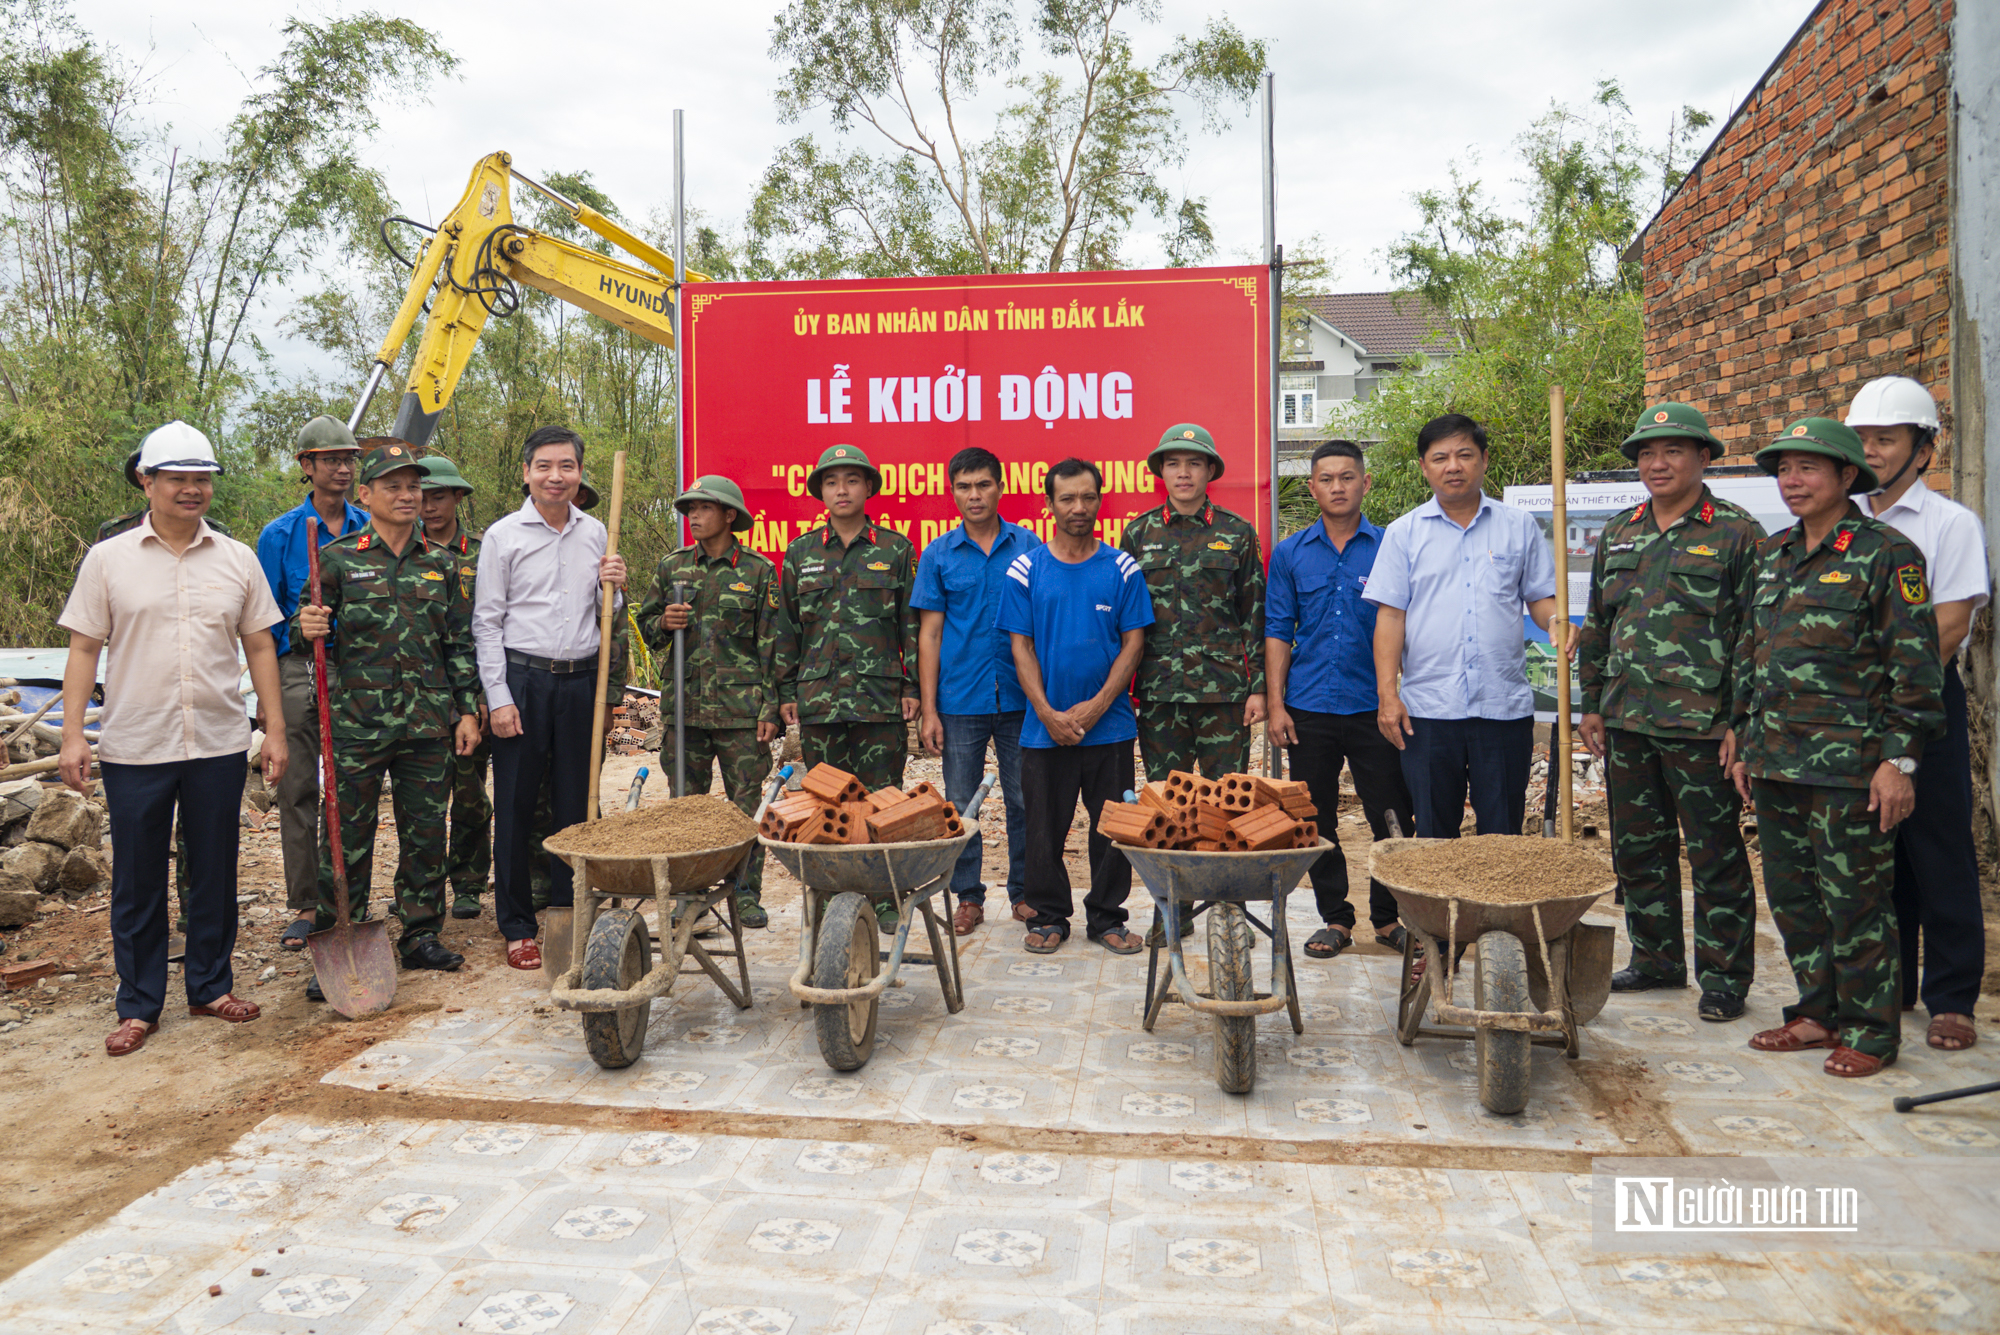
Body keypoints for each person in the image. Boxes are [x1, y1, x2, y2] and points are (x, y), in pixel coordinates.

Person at [57, 421, 286, 1056]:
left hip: (215, 740)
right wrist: (73, 734)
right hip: (136, 745)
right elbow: (83, 648)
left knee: (212, 868)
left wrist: (275, 728)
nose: (192, 490)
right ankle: (139, 1004)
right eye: (178, 478)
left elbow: (261, 644)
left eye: (202, 479)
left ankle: (211, 985)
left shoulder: (237, 558)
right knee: (137, 879)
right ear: (147, 481)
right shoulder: (109, 561)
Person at [1732, 418, 1942, 1079]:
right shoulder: (1771, 554)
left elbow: (1915, 669)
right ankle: (1817, 1010)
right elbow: (1751, 649)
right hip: (1774, 759)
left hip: (1850, 766)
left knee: (1856, 901)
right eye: (1784, 470)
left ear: (1847, 476)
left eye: (1808, 469)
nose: (1792, 481)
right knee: (1793, 898)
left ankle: (1873, 1030)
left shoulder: (1887, 553)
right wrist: (1740, 732)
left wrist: (1898, 761)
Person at [1576, 403, 1764, 1022]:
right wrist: (1593, 704)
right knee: (1637, 849)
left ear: (1704, 458)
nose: (1657, 464)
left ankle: (1724, 977)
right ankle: (1657, 959)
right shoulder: (1621, 531)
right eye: (1647, 455)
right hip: (1628, 720)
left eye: (1673, 452)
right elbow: (1599, 624)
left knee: (1713, 852)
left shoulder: (1737, 533)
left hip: (1702, 725)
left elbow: (1754, 635)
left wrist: (1740, 722)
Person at [296, 443, 481, 994]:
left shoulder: (441, 566)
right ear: (366, 495)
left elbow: (459, 646)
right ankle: (338, 935)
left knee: (425, 834)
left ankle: (420, 933)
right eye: (394, 487)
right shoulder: (336, 559)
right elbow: (301, 636)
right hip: (357, 724)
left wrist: (467, 711)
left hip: (427, 723)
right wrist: (304, 625)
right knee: (346, 837)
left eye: (414, 487)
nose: (408, 496)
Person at [1852, 376, 1989, 1052]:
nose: (1871, 450)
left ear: (1923, 449)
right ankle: (1892, 983)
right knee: (1875, 852)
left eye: (1886, 438)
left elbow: (1951, 623)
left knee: (1936, 845)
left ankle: (1953, 994)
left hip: (1923, 701)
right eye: (1863, 439)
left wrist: (1888, 693)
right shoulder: (1845, 525)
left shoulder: (1950, 525)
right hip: (1849, 712)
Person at [473, 426, 627, 970]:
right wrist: (498, 698)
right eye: (544, 466)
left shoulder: (596, 535)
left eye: (566, 466)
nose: (555, 476)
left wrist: (617, 581)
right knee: (514, 804)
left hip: (581, 681)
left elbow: (606, 613)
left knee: (576, 802)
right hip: (523, 680)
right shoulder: (503, 536)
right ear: (526, 473)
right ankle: (517, 924)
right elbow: (487, 623)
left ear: (580, 473)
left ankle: (569, 908)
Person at [1366, 414, 1562, 837]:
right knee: (1435, 836)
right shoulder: (1404, 533)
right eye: (1440, 458)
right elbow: (1390, 616)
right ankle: (1442, 908)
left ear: (1484, 460)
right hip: (1429, 712)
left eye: (1464, 455)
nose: (1453, 466)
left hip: (1503, 708)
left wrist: (1557, 623)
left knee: (1502, 835)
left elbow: (1540, 599)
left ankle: (1497, 907)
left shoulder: (1518, 526)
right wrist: (1387, 695)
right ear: (1424, 467)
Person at [1264, 440, 1415, 961]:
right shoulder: (1290, 554)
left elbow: (1405, 625)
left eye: (1347, 477)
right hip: (1309, 706)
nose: (1337, 487)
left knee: (1391, 814)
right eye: (1326, 479)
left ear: (1365, 483)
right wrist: (1277, 704)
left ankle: (1389, 917)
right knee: (1314, 819)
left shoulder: (1392, 546)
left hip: (1377, 707)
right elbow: (1279, 630)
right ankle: (1335, 918)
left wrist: (1395, 694)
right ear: (1312, 487)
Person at [998, 459, 1153, 956]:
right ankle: (1048, 916)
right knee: (1043, 827)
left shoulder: (1122, 567)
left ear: (1099, 500)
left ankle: (1107, 917)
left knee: (1112, 828)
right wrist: (1046, 712)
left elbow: (1134, 644)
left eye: (1088, 497)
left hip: (1108, 729)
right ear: (1049, 505)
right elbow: (1020, 648)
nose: (1078, 508)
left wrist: (1095, 708)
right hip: (1043, 730)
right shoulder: (1026, 569)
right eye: (1067, 499)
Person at [772, 444, 919, 933]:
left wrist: (913, 685)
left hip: (880, 699)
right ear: (820, 491)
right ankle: (833, 890)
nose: (842, 490)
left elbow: (910, 626)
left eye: (852, 480)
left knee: (883, 799)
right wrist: (786, 691)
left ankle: (883, 895)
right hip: (819, 701)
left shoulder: (894, 549)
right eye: (832, 482)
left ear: (869, 488)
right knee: (828, 803)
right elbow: (787, 628)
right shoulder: (800, 552)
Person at [636, 476, 780, 927]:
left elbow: (772, 645)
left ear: (729, 515)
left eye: (703, 508)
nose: (693, 517)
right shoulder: (672, 567)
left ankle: (745, 895)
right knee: (684, 807)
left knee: (745, 809)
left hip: (741, 712)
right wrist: (665, 621)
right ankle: (690, 894)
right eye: (689, 509)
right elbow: (645, 628)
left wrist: (770, 709)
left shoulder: (758, 572)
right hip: (685, 710)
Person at [914, 447, 1039, 936]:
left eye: (983, 485)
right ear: (952, 492)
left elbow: (1039, 627)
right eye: (964, 487)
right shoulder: (939, 555)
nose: (974, 495)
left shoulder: (1029, 547)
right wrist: (929, 709)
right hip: (960, 700)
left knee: (1024, 800)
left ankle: (1025, 893)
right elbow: (929, 634)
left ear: (1000, 486)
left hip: (1020, 699)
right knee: (962, 804)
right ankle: (967, 896)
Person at [255, 417, 366, 954]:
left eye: (348, 459)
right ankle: (305, 904)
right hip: (298, 668)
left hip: (358, 669)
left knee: (352, 788)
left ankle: (346, 898)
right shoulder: (279, 536)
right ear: (307, 466)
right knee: (299, 787)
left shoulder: (369, 524)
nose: (342, 468)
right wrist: (297, 635)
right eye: (330, 460)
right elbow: (264, 619)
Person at [1118, 423, 1266, 780]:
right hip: (1159, 695)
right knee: (1167, 806)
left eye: (1194, 463)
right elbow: (1123, 623)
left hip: (1224, 695)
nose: (1183, 473)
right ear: (1161, 472)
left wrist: (1258, 689)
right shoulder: (1138, 534)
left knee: (1228, 800)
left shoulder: (1238, 533)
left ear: (1210, 470)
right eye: (1173, 463)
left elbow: (1255, 615)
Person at [419, 454, 491, 922]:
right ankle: (420, 889)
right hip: (422, 693)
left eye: (439, 496)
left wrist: (487, 694)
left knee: (469, 792)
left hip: (476, 690)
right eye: (422, 496)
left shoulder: (486, 552)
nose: (429, 506)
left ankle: (467, 882)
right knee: (421, 801)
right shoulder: (402, 552)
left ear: (459, 497)